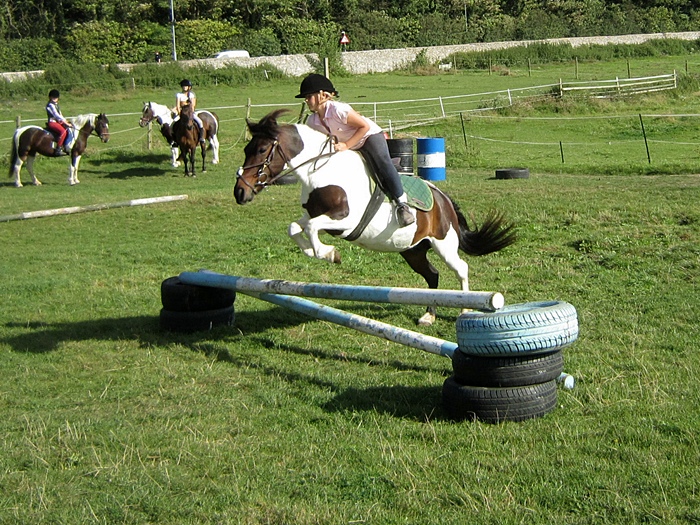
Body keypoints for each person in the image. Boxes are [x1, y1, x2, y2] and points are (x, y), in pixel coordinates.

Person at [296, 73, 414, 227]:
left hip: (368, 137)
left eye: (309, 96)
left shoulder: (338, 109)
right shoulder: (312, 121)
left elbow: (364, 126)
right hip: (346, 144)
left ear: (322, 95)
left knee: (383, 162)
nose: (306, 100)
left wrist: (346, 145)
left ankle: (402, 205)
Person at [173, 79, 206, 145]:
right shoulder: (179, 95)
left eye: (186, 86)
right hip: (182, 113)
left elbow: (193, 105)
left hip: (190, 113)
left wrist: (190, 113)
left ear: (189, 87)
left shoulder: (191, 95)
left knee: (200, 122)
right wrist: (180, 114)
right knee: (173, 123)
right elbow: (178, 106)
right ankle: (175, 140)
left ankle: (201, 138)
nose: (184, 87)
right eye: (183, 86)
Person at [45, 89, 73, 156]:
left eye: (56, 98)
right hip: (52, 122)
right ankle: (58, 149)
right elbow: (56, 115)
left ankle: (65, 147)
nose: (55, 99)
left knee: (68, 129)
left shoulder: (56, 105)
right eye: (53, 97)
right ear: (50, 97)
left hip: (58, 122)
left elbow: (60, 114)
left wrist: (65, 121)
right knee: (63, 132)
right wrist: (65, 122)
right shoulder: (50, 105)